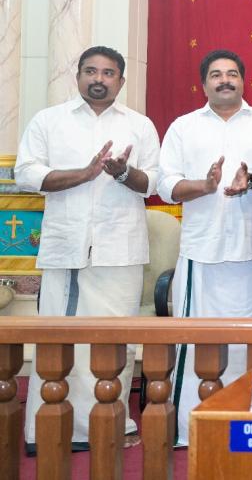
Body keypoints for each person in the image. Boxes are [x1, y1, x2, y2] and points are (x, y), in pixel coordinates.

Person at [15, 46, 160, 451]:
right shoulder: (49, 120)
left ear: (121, 81)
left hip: (121, 250)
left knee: (116, 341)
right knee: (63, 342)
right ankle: (51, 429)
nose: (99, 79)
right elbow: (25, 173)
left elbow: (154, 183)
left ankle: (110, 424)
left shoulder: (139, 125)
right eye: (91, 71)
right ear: (77, 75)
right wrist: (84, 174)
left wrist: (123, 173)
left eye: (108, 73)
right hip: (69, 249)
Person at [158, 49, 252, 446]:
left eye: (232, 74)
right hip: (201, 255)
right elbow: (165, 185)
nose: (224, 80)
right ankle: (193, 430)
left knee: (251, 345)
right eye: (216, 74)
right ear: (203, 84)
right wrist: (204, 186)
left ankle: (250, 429)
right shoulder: (183, 127)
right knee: (197, 345)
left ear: (244, 80)